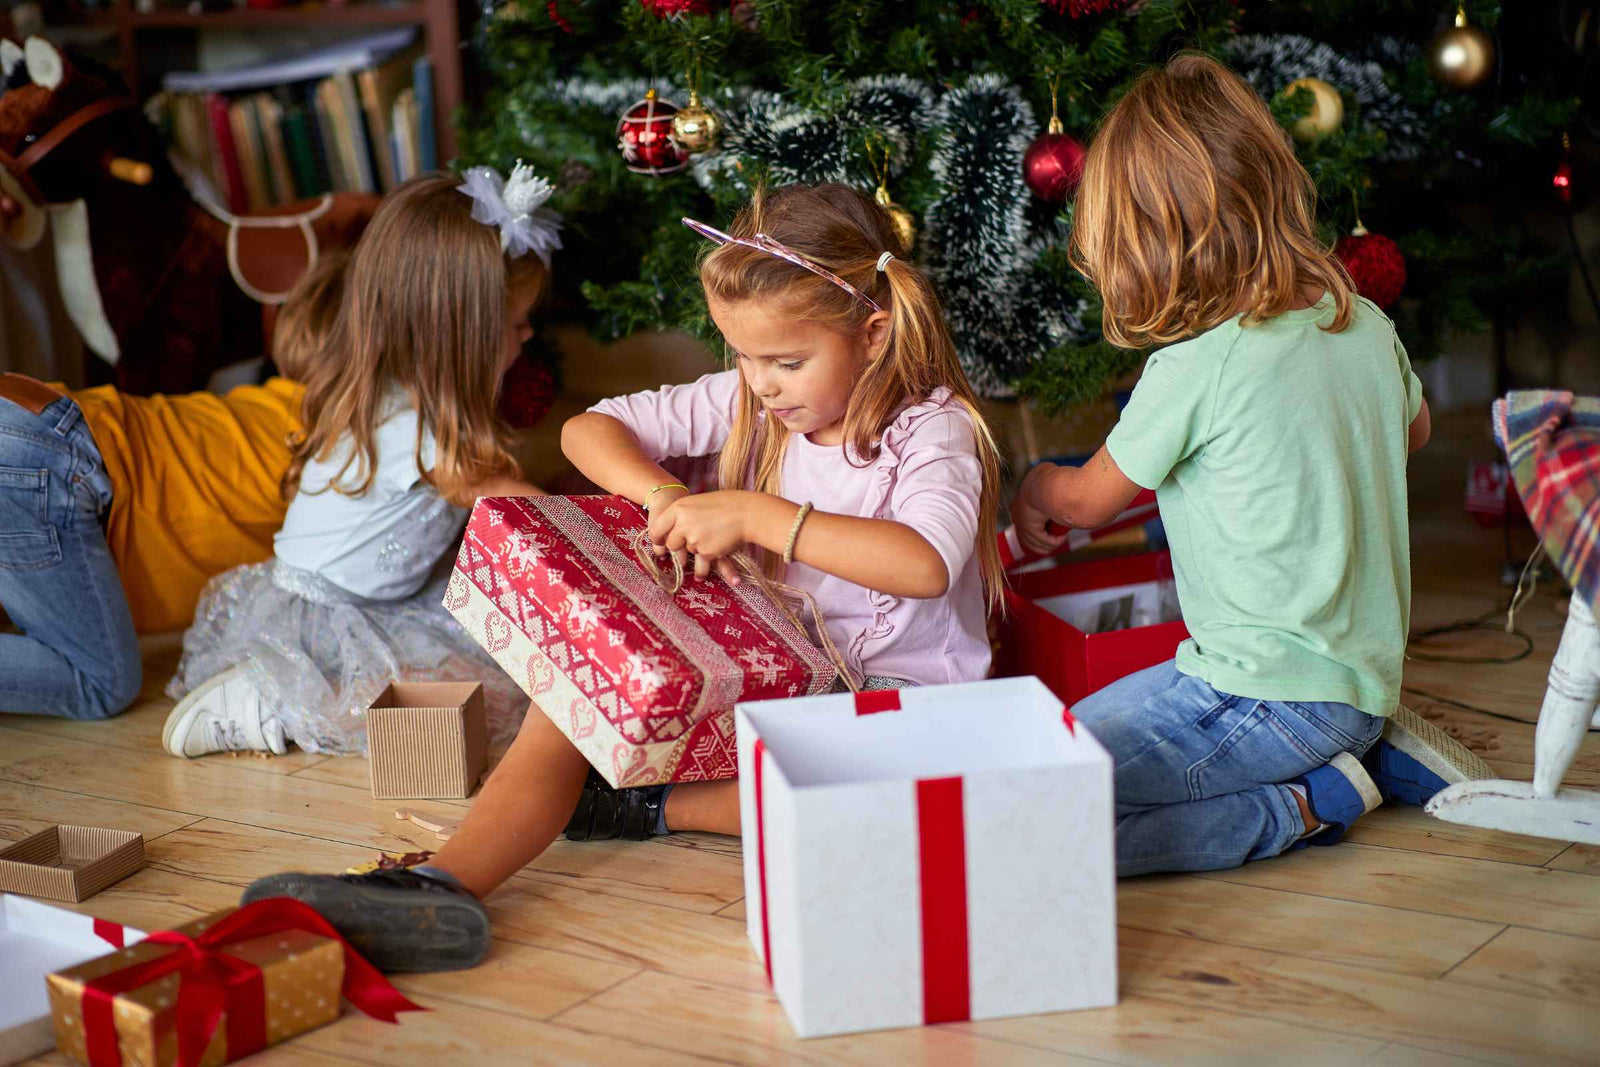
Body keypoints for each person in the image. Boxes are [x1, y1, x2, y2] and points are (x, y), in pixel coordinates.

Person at [238, 180, 1004, 973]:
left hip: (891, 700)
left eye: (786, 361)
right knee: (567, 700)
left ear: (873, 334)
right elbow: (587, 430)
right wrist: (665, 493)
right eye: (741, 355)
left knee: (894, 801)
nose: (762, 383)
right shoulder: (751, 399)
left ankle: (646, 803)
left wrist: (755, 514)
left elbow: (923, 560)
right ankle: (443, 882)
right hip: (771, 671)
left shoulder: (932, 428)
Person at [1009, 53, 1486, 877]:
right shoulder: (1363, 321)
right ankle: (1360, 757)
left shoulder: (1197, 366)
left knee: (1034, 807)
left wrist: (1033, 486)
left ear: (1158, 246)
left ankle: (1302, 804)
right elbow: (1412, 433)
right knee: (1053, 765)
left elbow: (1085, 502)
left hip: (1256, 698)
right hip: (1347, 685)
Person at [162, 167, 560, 758]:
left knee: (483, 681)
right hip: (329, 621)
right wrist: (596, 531)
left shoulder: (401, 394)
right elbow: (517, 506)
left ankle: (288, 695)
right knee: (468, 701)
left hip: (377, 599)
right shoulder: (421, 430)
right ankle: (271, 703)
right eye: (516, 323)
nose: (528, 336)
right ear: (460, 335)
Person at [0, 253, 344, 721]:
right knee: (102, 683)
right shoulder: (331, 443)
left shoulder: (254, 410)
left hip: (31, 417)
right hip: (45, 456)